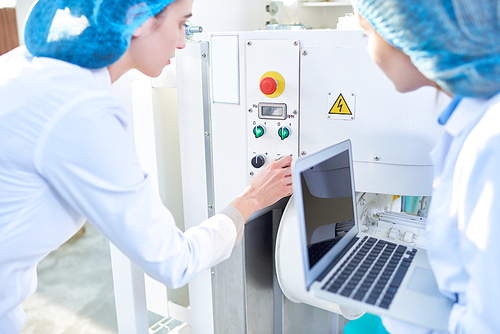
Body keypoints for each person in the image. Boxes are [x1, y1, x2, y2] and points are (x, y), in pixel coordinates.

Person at [0, 0, 293, 332]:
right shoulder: (80, 111)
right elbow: (174, 261)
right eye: (182, 24)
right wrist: (250, 200)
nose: (183, 42)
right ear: (136, 19)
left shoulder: (25, 64)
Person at [353, 0, 500, 333]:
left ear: (407, 30)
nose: (369, 51)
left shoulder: (492, 145)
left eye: (368, 33)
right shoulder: (475, 121)